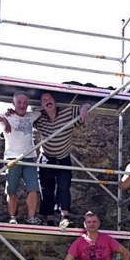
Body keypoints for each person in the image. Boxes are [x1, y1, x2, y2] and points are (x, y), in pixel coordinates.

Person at [34, 92, 90, 228]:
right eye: (44, 100)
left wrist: (84, 108)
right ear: (41, 104)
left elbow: (88, 104)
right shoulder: (39, 117)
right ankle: (50, 219)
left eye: (50, 99)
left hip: (63, 157)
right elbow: (21, 117)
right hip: (46, 157)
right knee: (46, 188)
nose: (48, 102)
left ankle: (64, 217)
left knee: (64, 186)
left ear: (55, 101)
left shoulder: (67, 112)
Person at [0, 91, 42, 225]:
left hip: (29, 157)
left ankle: (31, 217)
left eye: (25, 103)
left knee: (33, 188)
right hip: (12, 158)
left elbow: (45, 110)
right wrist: (4, 120)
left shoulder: (32, 115)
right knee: (11, 189)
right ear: (13, 103)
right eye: (19, 102)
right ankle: (12, 217)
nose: (22, 105)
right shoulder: (7, 115)